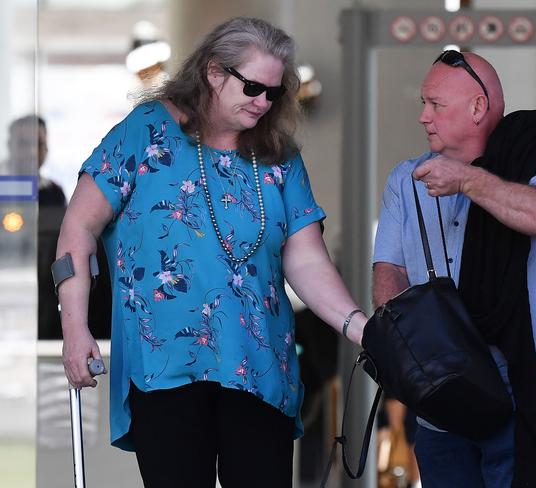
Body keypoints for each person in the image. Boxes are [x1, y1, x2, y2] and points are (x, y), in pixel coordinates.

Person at [55, 17, 367, 488]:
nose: (264, 102)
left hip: (260, 366)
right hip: (166, 365)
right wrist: (75, 329)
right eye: (254, 87)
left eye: (275, 93)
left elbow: (305, 259)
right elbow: (78, 228)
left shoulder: (279, 155)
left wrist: (361, 327)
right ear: (214, 73)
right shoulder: (147, 132)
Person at [372, 50, 536, 488]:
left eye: (435, 104)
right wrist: (408, 353)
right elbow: (388, 274)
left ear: (477, 108)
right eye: (423, 104)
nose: (423, 117)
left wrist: (466, 179)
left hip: (525, 382)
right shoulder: (404, 179)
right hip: (440, 389)